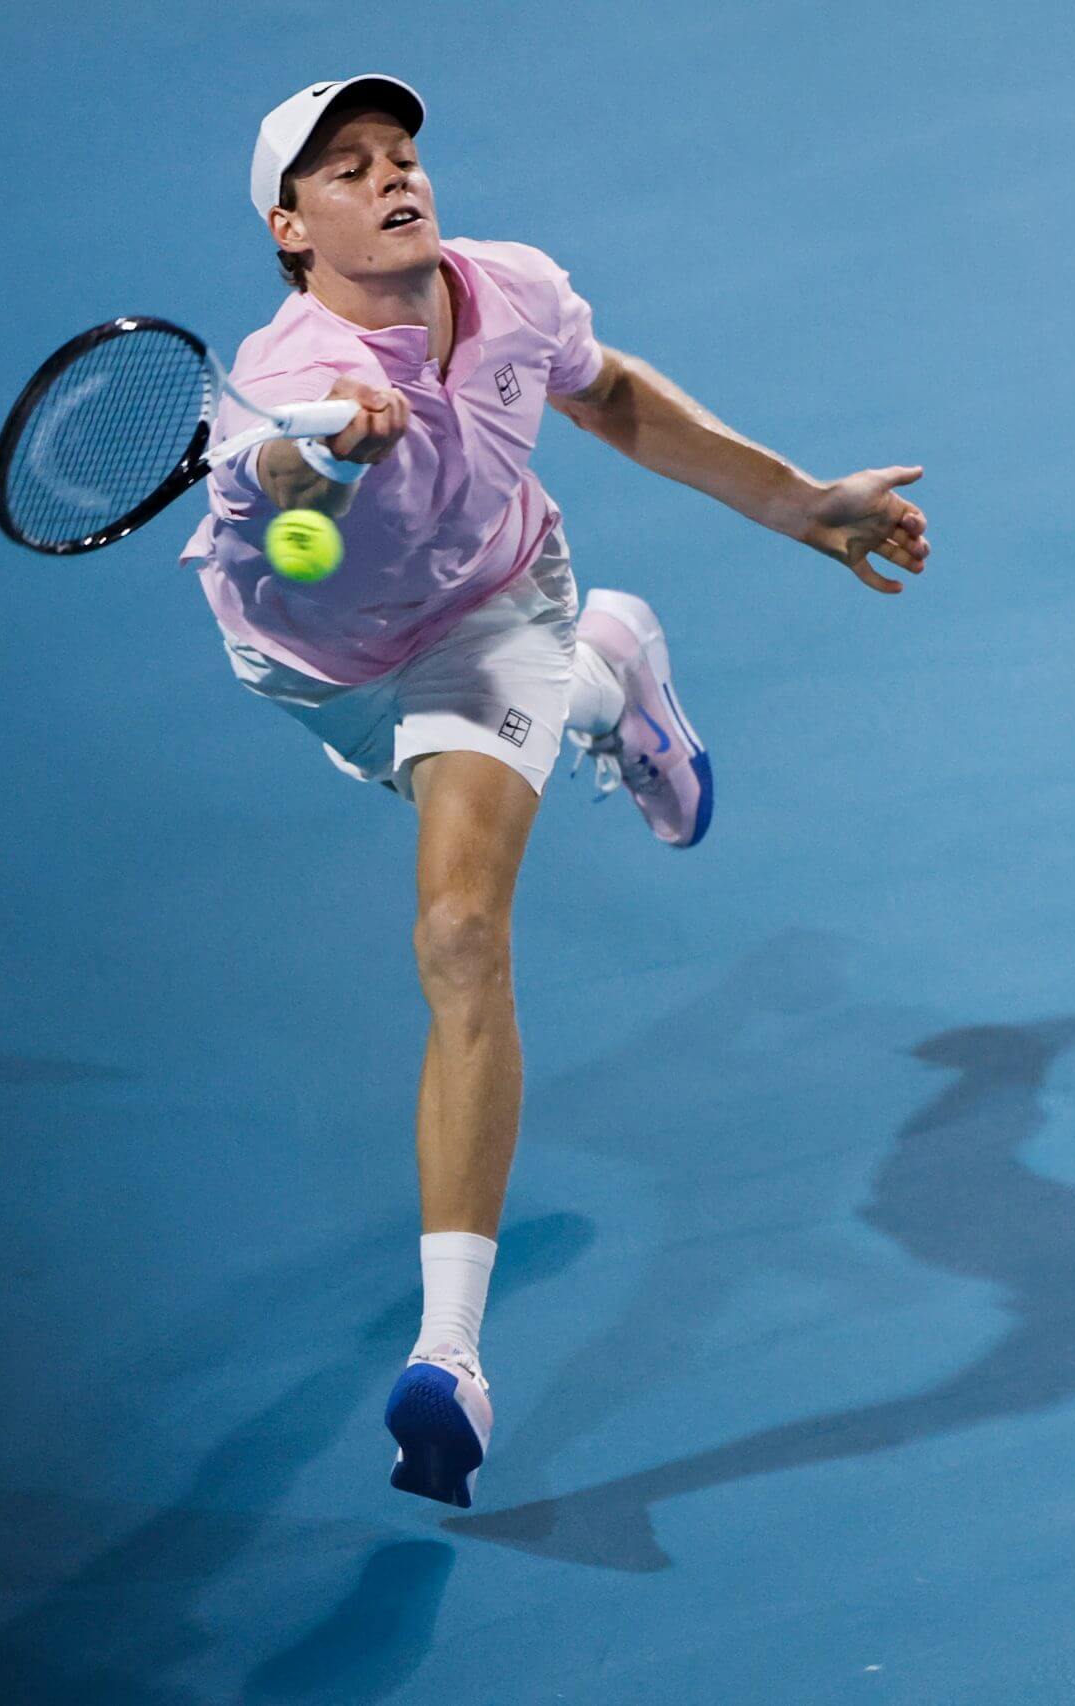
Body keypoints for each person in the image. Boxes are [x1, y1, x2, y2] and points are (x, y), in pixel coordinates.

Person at [180, 74, 932, 1508]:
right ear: (292, 227)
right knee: (490, 761)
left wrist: (799, 504)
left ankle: (449, 1354)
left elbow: (614, 395)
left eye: (402, 153)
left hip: (486, 616)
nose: (394, 176)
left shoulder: (510, 289)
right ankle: (615, 667)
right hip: (322, 673)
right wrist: (318, 452)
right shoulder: (284, 375)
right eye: (347, 170)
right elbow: (265, 467)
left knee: (459, 933)